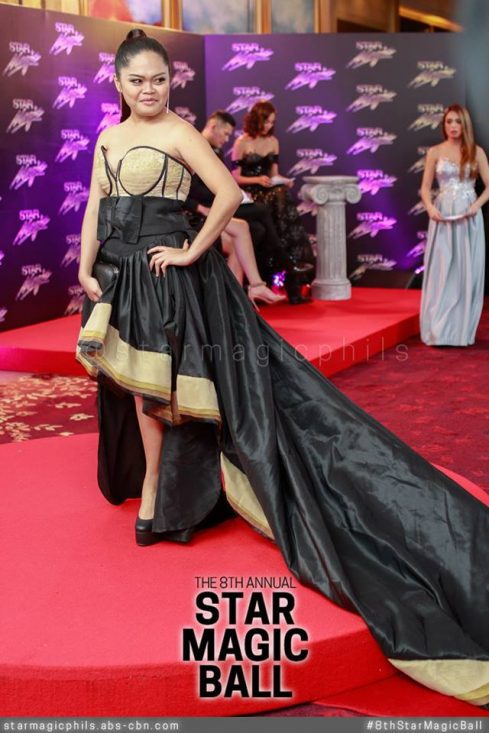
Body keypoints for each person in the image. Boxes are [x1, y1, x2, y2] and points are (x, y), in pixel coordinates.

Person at [77, 30, 489, 708]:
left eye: (159, 79)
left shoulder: (179, 133)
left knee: (162, 392)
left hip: (169, 279)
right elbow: (97, 203)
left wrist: (189, 252)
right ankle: (157, 489)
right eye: (137, 80)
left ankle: (156, 492)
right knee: (130, 385)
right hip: (120, 278)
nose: (149, 89)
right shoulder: (108, 138)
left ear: (170, 82)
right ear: (118, 83)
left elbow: (226, 196)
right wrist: (85, 265)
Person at [187, 109, 313, 305]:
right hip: (201, 212)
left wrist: (233, 193)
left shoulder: (216, 150)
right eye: (225, 134)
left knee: (257, 228)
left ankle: (240, 294)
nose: (227, 139)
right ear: (213, 126)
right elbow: (187, 189)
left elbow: (219, 184)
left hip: (220, 205)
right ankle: (277, 269)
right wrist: (203, 207)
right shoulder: (194, 147)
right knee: (259, 212)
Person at [420, 103, 489, 346]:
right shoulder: (435, 152)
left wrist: (476, 205)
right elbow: (425, 188)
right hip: (443, 216)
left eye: (458, 121)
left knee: (465, 271)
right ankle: (439, 330)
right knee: (442, 270)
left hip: (468, 217)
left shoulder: (476, 152)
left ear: (465, 125)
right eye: (449, 121)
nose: (453, 126)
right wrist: (431, 209)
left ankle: (460, 331)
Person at [231, 101, 316, 278]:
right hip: (251, 192)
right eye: (266, 121)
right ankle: (286, 261)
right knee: (278, 198)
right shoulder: (241, 142)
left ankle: (289, 263)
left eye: (271, 122)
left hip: (270, 189)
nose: (268, 126)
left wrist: (284, 181)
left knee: (281, 193)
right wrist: (257, 180)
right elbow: (235, 177)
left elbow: (274, 174)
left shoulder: (273, 142)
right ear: (256, 119)